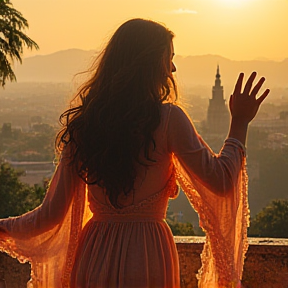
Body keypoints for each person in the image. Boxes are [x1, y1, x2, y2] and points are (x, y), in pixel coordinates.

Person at [0, 18, 269, 288]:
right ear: (150, 63)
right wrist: (239, 123)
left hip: (93, 258)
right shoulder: (168, 120)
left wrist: (4, 227)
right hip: (148, 256)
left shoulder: (85, 125)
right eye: (169, 58)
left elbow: (49, 215)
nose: (173, 68)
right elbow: (221, 182)